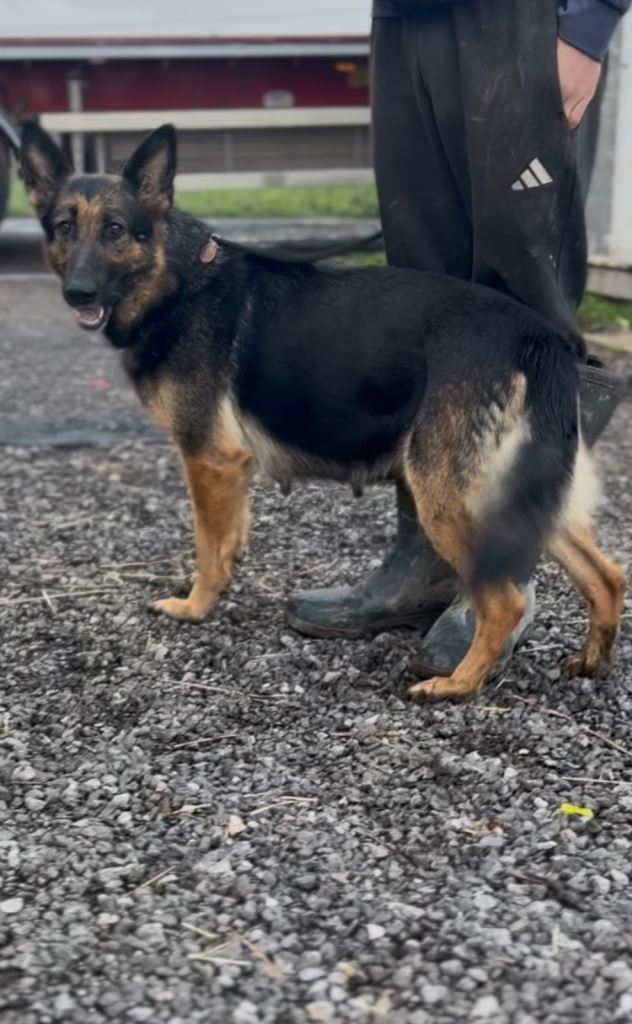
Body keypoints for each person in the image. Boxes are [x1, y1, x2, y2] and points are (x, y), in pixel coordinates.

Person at [286, 0, 629, 675]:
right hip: (407, 21)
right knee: (421, 306)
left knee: (529, 305)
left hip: (521, 23)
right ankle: (431, 566)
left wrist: (587, 26)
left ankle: (506, 569)